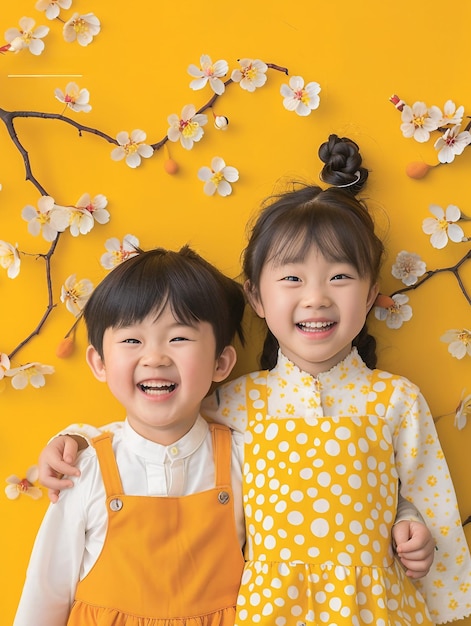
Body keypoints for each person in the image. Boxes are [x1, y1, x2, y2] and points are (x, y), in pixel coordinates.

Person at [37, 136, 446, 624]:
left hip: (373, 606)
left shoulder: (396, 399)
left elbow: (422, 494)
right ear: (256, 297)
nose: (315, 298)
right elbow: (153, 429)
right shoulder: (235, 401)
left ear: (372, 292)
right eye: (292, 279)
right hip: (269, 611)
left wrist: (411, 524)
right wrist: (75, 440)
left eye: (339, 277)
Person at [14, 246, 247, 626]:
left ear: (220, 363)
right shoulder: (84, 468)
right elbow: (47, 592)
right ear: (99, 363)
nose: (155, 357)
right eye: (132, 341)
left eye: (179, 338)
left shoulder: (246, 459)